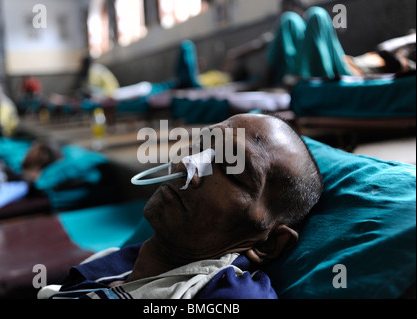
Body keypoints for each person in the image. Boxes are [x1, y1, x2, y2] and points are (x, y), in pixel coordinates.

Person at [38, 113, 324, 299]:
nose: (188, 165)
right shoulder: (112, 263)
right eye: (201, 145)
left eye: (232, 169)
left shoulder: (229, 296)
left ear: (269, 243)